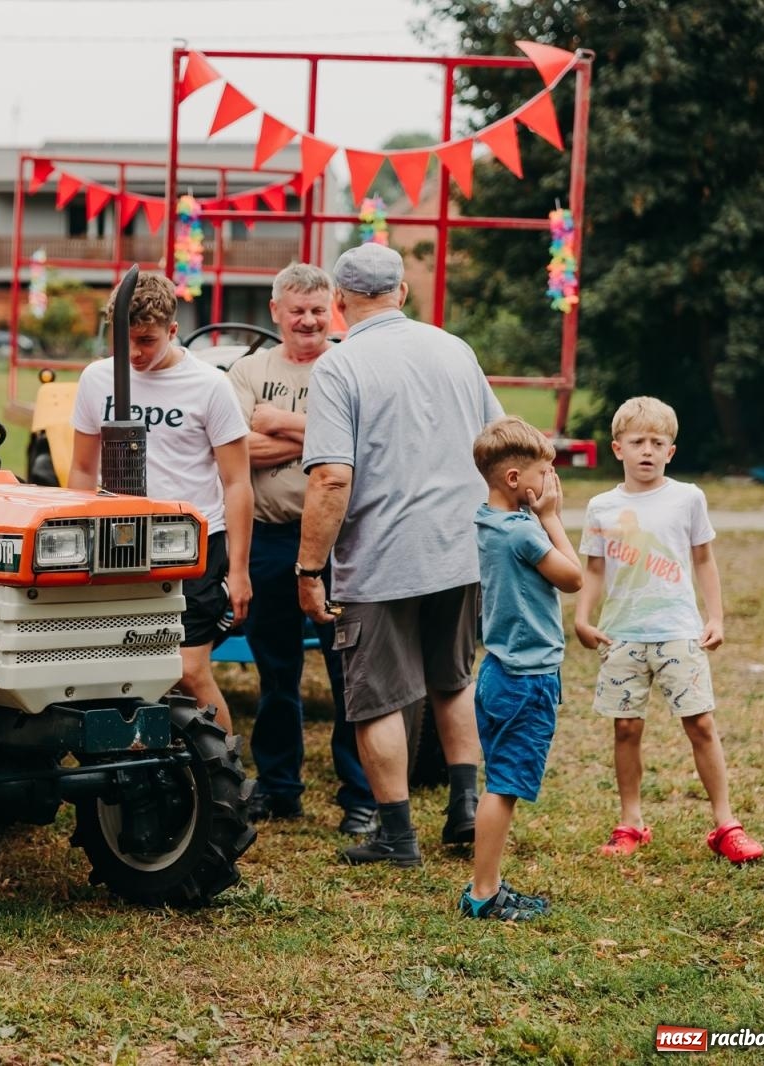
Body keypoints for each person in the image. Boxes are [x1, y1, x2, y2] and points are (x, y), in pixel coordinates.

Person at [297, 243, 503, 867]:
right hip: (461, 546)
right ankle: (465, 807)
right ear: (403, 293)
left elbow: (332, 477)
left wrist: (309, 569)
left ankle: (396, 835)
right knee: (452, 678)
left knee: (378, 697)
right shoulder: (455, 349)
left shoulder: (340, 365)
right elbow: (497, 444)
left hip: (383, 555)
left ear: (337, 302)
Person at [574, 396, 764, 864]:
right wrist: (582, 618)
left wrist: (715, 616)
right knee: (626, 729)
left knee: (700, 723)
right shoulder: (602, 506)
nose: (647, 450)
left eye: (658, 443)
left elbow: (704, 559)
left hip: (679, 632)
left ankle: (725, 825)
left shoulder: (687, 498)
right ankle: (631, 823)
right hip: (622, 636)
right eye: (637, 441)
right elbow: (594, 570)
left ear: (671, 452)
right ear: (618, 448)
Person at [226, 264, 377, 834]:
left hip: (340, 541)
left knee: (348, 669)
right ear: (276, 312)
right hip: (269, 537)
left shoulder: (349, 364)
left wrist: (281, 421)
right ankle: (279, 786)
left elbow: (358, 447)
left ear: (331, 310)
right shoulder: (247, 370)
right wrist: (316, 434)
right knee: (276, 669)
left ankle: (360, 796)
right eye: (298, 310)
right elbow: (238, 453)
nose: (309, 321)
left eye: (318, 310)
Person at [68, 271, 253, 733]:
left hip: (192, 543)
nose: (134, 354)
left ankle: (224, 778)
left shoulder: (210, 386)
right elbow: (83, 470)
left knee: (189, 671)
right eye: (124, 341)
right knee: (122, 672)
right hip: (119, 543)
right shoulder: (96, 379)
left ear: (173, 331)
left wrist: (239, 569)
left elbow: (237, 482)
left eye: (147, 341)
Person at [461, 416, 583, 921]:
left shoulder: (488, 521)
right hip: (525, 678)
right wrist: (551, 516)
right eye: (544, 473)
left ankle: (486, 884)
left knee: (500, 781)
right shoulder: (523, 534)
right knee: (504, 788)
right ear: (514, 480)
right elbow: (573, 577)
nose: (549, 483)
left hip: (497, 672)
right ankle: (483, 893)